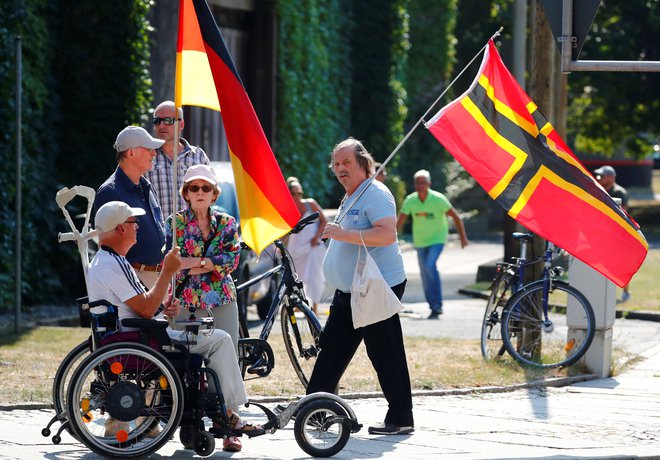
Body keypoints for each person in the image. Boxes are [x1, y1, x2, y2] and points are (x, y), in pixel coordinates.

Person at [87, 201, 263, 452]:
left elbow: (143, 304)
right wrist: (167, 274)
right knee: (221, 339)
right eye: (133, 222)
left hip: (140, 332)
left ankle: (223, 410)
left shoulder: (112, 261)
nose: (138, 227)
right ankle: (228, 413)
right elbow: (145, 309)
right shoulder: (111, 265)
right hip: (140, 339)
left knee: (208, 333)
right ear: (120, 229)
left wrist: (163, 306)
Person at [306, 137, 414, 435]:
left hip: (376, 286)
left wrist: (343, 234)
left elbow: (386, 235)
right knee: (332, 349)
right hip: (351, 289)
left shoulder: (376, 193)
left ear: (363, 164)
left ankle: (401, 417)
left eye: (346, 163)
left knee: (384, 351)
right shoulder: (352, 194)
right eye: (336, 164)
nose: (340, 169)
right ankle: (314, 410)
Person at [165, 164, 241, 353]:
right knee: (185, 356)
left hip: (222, 299)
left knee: (227, 353)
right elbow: (172, 264)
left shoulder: (227, 223)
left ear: (214, 194)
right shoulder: (174, 223)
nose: (200, 192)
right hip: (184, 300)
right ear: (186, 194)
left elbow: (232, 260)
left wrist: (194, 262)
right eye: (194, 187)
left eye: (206, 188)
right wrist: (213, 264)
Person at [93, 126, 167, 289]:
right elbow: (105, 250)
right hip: (131, 279)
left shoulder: (146, 185)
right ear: (131, 152)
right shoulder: (109, 192)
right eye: (149, 149)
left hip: (156, 278)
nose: (154, 153)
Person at [397, 169, 469, 319]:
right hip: (420, 242)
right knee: (425, 273)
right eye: (417, 182)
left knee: (430, 267)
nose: (419, 185)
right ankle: (434, 307)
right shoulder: (411, 200)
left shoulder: (438, 199)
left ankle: (437, 304)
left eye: (422, 182)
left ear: (429, 183)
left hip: (437, 240)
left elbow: (456, 217)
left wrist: (463, 237)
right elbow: (400, 221)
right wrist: (391, 239)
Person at [147, 100, 211, 219]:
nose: (161, 125)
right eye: (157, 121)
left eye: (168, 120)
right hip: (157, 234)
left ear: (181, 124)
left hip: (192, 233)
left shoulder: (198, 156)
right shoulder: (146, 155)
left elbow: (210, 196)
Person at [286, 177, 327, 314]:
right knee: (298, 275)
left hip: (313, 246)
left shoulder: (310, 204)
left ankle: (315, 306)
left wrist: (317, 237)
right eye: (293, 193)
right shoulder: (288, 209)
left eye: (299, 193)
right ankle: (300, 303)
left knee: (315, 276)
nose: (297, 196)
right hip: (297, 248)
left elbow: (323, 220)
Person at [594, 165, 631, 301]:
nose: (599, 178)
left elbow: (623, 214)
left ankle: (626, 292)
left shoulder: (619, 192)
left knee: (621, 265)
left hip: (617, 234)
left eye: (602, 176)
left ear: (610, 177)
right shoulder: (599, 190)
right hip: (602, 233)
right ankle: (602, 291)